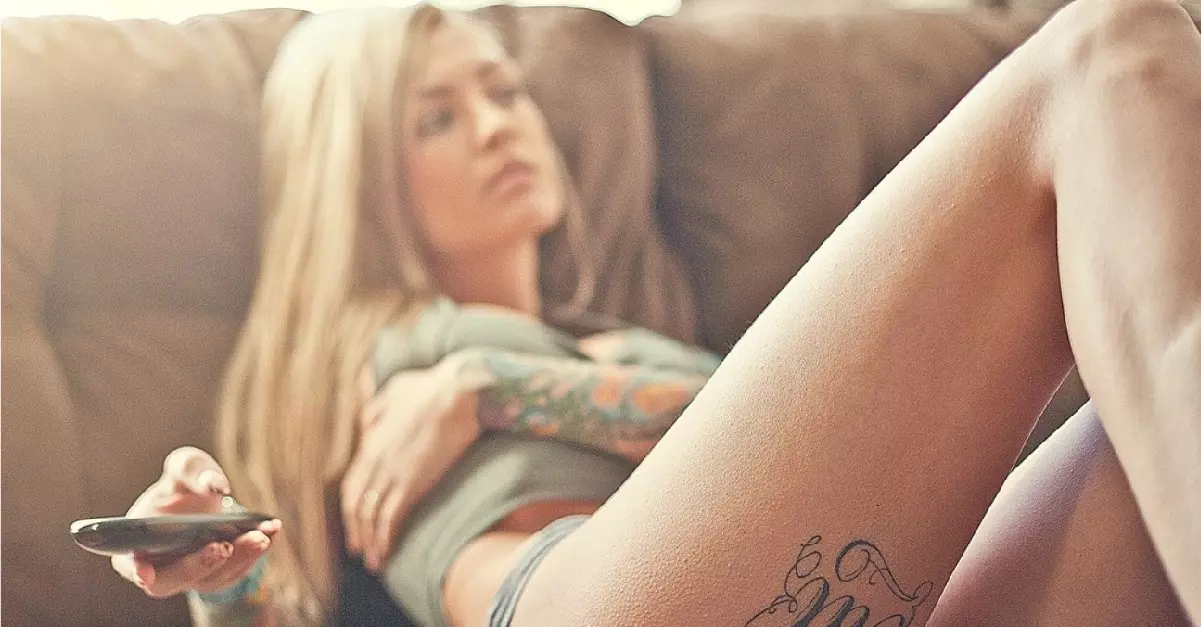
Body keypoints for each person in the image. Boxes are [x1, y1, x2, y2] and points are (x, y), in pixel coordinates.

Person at [110, 0, 1201, 626]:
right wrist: (223, 575)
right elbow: (293, 594)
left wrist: (498, 389)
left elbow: (796, 438)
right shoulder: (377, 350)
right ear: (353, 179)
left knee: (1133, 447)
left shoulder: (529, 359)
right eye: (436, 118)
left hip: (835, 591)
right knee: (1109, 47)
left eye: (503, 91)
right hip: (571, 601)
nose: (496, 126)